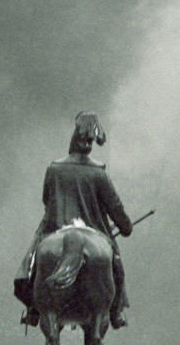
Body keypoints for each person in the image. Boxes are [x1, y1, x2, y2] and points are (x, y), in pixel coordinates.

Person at [14, 111, 134, 330]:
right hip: (94, 231)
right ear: (91, 143)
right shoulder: (99, 173)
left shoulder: (54, 169)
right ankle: (116, 311)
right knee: (116, 266)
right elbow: (115, 208)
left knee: (31, 265)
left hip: (55, 227)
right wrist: (126, 227)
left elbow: (46, 200)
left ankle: (33, 309)